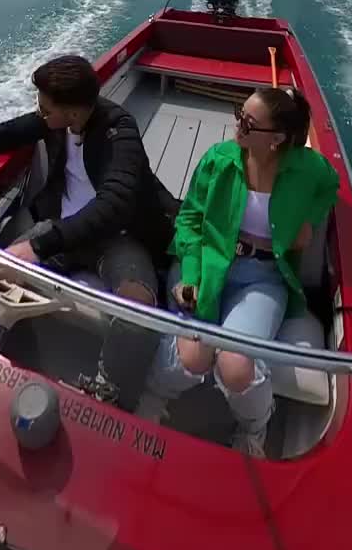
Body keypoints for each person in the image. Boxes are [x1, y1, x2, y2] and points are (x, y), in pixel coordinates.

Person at [0, 54, 177, 407]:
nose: (40, 115)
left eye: (46, 109)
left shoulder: (120, 130)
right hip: (64, 230)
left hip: (117, 239)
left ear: (74, 112)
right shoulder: (54, 122)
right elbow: (16, 129)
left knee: (137, 310)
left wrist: (38, 247)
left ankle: (108, 390)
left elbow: (116, 203)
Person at [140, 86, 340, 456]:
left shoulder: (309, 169)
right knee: (193, 356)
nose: (238, 127)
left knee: (236, 365)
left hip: (264, 279)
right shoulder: (219, 159)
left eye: (248, 122)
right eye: (238, 114)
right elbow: (189, 221)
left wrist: (309, 221)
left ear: (278, 139)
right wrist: (191, 276)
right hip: (206, 265)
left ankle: (253, 430)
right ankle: (153, 396)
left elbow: (331, 185)